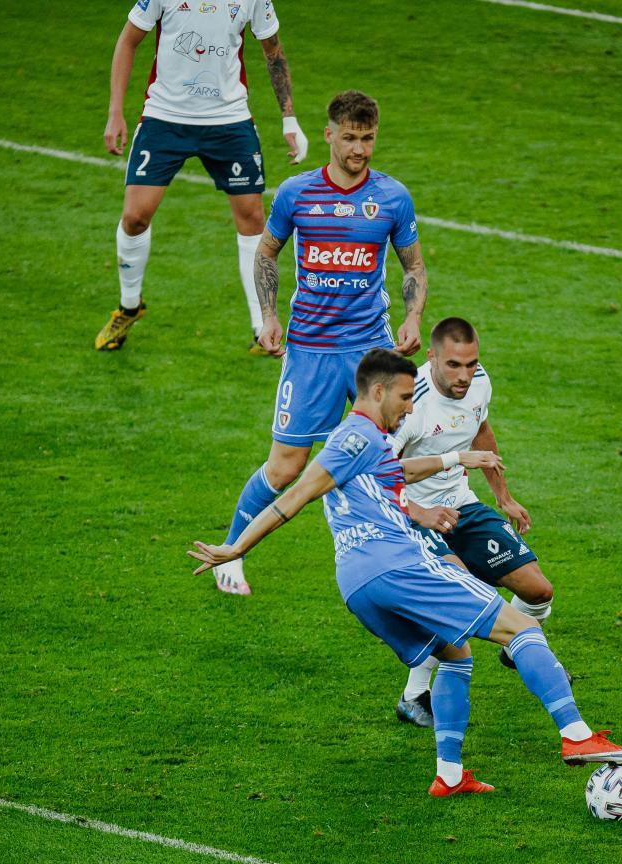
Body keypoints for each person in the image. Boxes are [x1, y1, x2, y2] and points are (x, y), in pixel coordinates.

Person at [188, 349, 622, 795]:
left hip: (357, 584)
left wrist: (455, 459)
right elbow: (298, 493)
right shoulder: (355, 437)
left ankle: (450, 775)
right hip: (399, 565)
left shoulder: (364, 442)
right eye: (405, 397)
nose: (410, 408)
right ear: (378, 391)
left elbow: (395, 469)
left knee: (455, 655)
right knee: (521, 627)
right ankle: (576, 735)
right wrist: (238, 546)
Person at [211, 90, 428, 595]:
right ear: (328, 135)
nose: (359, 149)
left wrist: (414, 316)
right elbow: (266, 252)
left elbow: (413, 264)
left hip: (371, 351)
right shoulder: (296, 193)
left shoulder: (392, 197)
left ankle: (414, 557)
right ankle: (231, 553)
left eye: (368, 139)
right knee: (286, 466)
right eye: (350, 138)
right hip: (310, 351)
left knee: (394, 455)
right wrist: (268, 315)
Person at [96, 0, 307, 354]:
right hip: (165, 117)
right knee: (134, 217)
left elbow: (273, 50)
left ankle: (261, 328)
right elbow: (128, 40)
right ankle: (129, 306)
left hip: (229, 120)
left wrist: (289, 119)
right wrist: (115, 111)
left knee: (252, 217)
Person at [386, 318, 560, 728]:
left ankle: (516, 646)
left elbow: (480, 427)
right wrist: (421, 512)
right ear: (431, 358)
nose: (464, 375)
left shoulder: (480, 382)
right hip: (412, 515)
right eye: (453, 365)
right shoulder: (410, 401)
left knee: (539, 592)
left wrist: (503, 496)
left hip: (460, 503)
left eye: (471, 364)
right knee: (459, 599)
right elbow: (381, 471)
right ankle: (413, 696)